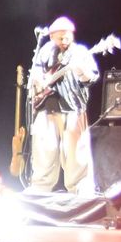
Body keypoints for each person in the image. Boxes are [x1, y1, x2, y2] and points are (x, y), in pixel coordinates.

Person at [27, 15, 99, 195]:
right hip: (46, 106)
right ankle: (40, 187)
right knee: (45, 147)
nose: (64, 40)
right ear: (51, 36)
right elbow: (35, 73)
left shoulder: (81, 52)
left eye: (67, 36)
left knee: (75, 151)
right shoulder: (44, 51)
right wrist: (37, 81)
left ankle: (79, 188)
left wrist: (81, 71)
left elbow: (91, 78)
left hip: (73, 106)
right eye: (60, 37)